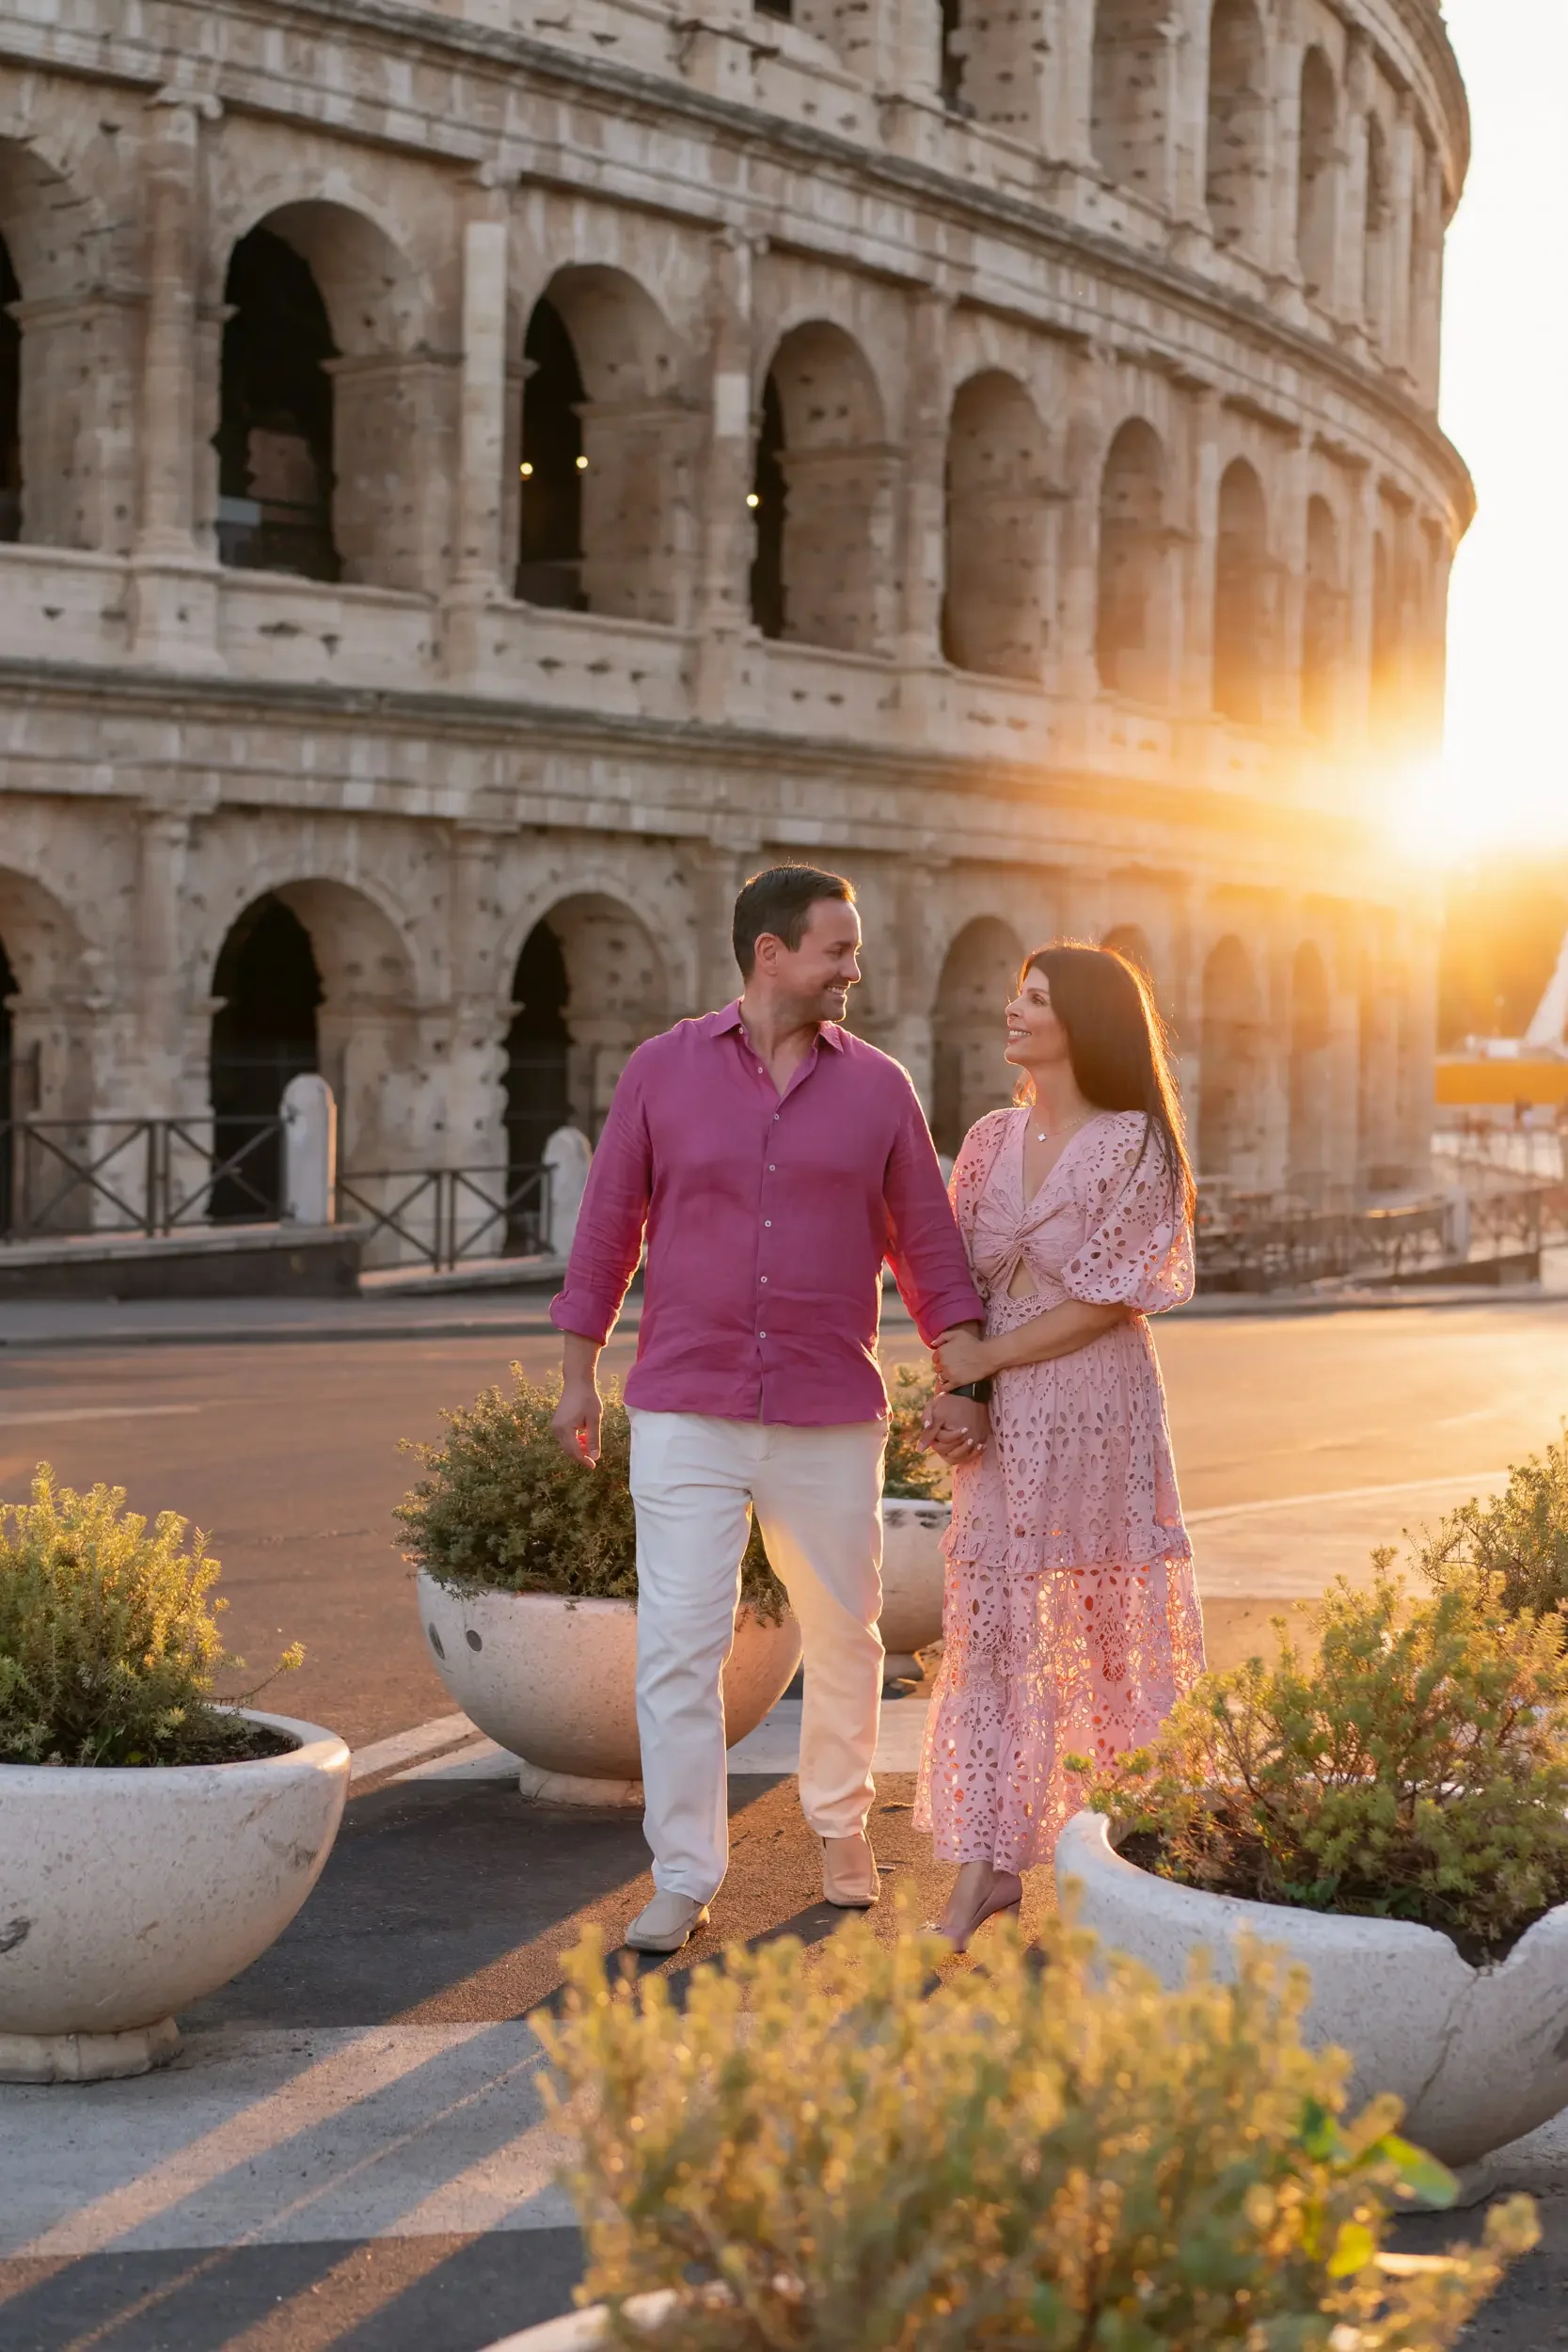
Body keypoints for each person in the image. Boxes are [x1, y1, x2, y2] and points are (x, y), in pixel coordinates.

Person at [549, 865, 988, 1954]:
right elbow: (609, 1224)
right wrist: (575, 1371)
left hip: (826, 1407)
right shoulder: (661, 1071)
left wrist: (961, 1374)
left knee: (844, 1632)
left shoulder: (879, 1086)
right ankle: (684, 1870)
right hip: (685, 1404)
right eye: (837, 950)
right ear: (769, 954)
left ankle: (840, 1825)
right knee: (680, 1646)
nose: (853, 970)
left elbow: (924, 1242)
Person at [916, 940, 1206, 1950]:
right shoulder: (990, 1137)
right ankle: (983, 1873)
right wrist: (962, 1384)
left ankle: (1134, 1864)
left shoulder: (1136, 1143)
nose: (1012, 1009)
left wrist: (981, 1365)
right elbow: (944, 1271)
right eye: (1015, 993)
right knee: (993, 1634)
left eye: (1035, 998)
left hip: (1094, 1409)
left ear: (1084, 1020)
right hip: (998, 1414)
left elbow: (1098, 1302)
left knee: (1101, 1630)